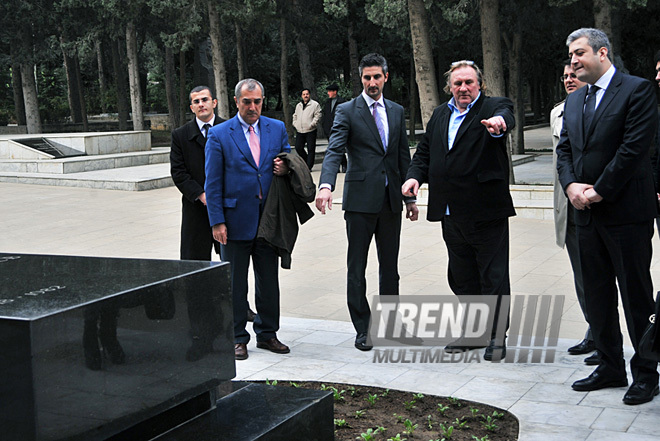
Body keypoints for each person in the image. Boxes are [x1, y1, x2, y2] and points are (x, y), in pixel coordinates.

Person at [556, 28, 659, 405]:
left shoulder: (638, 90)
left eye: (579, 53)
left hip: (626, 214)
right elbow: (564, 150)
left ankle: (646, 374)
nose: (573, 61)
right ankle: (611, 366)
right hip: (585, 216)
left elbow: (634, 149)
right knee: (597, 296)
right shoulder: (574, 100)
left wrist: (598, 190)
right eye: (570, 56)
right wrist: (571, 188)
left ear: (602, 53)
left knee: (636, 298)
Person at [402, 60, 515, 362]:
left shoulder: (493, 107)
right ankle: (475, 332)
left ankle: (496, 336)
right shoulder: (440, 114)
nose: (463, 88)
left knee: (493, 276)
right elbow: (424, 152)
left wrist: (499, 126)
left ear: (480, 84)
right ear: (449, 87)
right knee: (461, 276)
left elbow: (506, 118)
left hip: (485, 211)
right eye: (457, 83)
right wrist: (414, 176)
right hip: (449, 211)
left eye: (469, 82)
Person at [315, 53, 418, 351]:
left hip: (390, 202)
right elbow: (334, 151)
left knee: (390, 267)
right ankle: (363, 328)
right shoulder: (347, 111)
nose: (372, 82)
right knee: (356, 266)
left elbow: (401, 157)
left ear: (386, 77)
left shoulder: (397, 111)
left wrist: (409, 198)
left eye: (377, 76)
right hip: (359, 202)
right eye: (366, 77)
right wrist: (325, 185)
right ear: (360, 79)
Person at [205, 78, 291, 361]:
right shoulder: (219, 134)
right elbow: (213, 182)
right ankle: (237, 338)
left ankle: (267, 334)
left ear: (263, 101)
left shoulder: (276, 128)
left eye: (257, 102)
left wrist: (284, 166)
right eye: (247, 102)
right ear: (236, 101)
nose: (252, 107)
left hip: (268, 221)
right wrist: (217, 221)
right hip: (233, 222)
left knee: (268, 281)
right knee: (235, 284)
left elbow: (288, 158)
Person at [550, 62, 599, 365]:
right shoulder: (558, 112)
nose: (569, 79)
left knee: (605, 275)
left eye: (574, 74)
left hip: (600, 202)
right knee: (582, 275)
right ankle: (595, 332)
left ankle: (607, 335)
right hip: (568, 206)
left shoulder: (604, 108)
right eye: (565, 76)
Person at [293, 88, 322, 170]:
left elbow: (318, 115)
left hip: (310, 130)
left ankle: (309, 166)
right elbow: (295, 115)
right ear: (302, 96)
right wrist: (295, 124)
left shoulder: (315, 104)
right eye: (304, 94)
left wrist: (312, 124)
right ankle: (306, 162)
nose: (305, 96)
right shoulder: (298, 105)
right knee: (298, 147)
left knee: (311, 149)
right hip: (300, 130)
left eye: (307, 94)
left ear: (309, 95)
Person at [322, 83, 347, 172]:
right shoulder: (327, 103)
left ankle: (344, 164)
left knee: (339, 147)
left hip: (339, 128)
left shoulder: (342, 102)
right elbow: (325, 115)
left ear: (335, 92)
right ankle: (336, 166)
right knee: (332, 148)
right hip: (329, 128)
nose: (328, 93)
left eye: (330, 91)